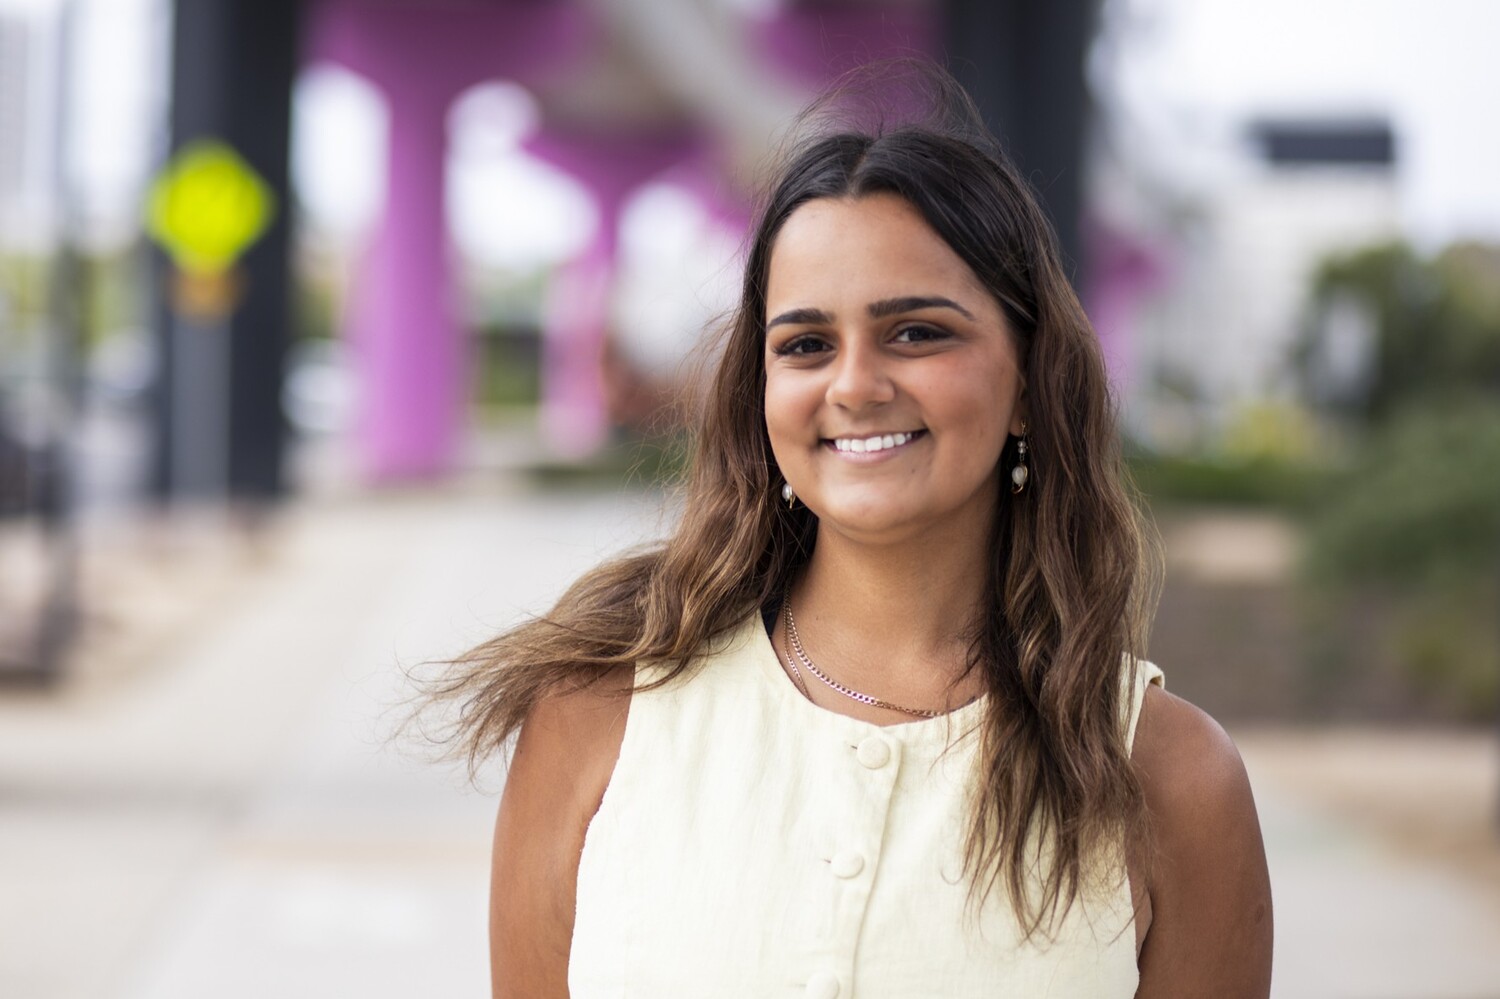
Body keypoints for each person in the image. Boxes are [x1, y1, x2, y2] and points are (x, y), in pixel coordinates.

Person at [427, 66, 1273, 998]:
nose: (856, 384)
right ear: (762, 389)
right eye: (805, 343)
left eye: (916, 332)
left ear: (1029, 379)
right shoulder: (598, 713)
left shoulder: (1171, 778)